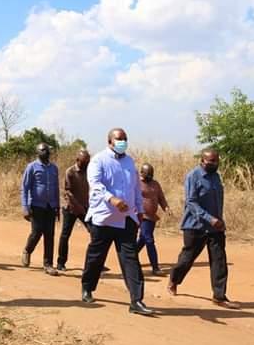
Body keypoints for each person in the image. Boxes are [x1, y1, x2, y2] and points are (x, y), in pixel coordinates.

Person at [81, 128, 153, 316]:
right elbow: (95, 186)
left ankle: (136, 300)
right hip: (103, 218)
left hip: (126, 219)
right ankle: (87, 287)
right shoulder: (99, 160)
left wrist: (139, 211)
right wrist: (112, 199)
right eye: (119, 139)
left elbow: (136, 188)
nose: (123, 142)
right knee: (96, 257)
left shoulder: (130, 162)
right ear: (110, 141)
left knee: (130, 259)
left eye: (125, 139)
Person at [167, 149, 239, 309]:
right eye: (211, 161)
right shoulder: (193, 176)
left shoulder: (216, 177)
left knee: (219, 260)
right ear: (202, 161)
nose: (214, 164)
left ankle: (219, 296)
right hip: (195, 226)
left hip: (216, 228)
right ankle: (174, 279)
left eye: (216, 161)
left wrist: (218, 220)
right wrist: (209, 219)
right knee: (187, 258)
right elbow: (191, 202)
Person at [20, 143, 61, 276]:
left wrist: (57, 207)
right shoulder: (31, 167)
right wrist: (25, 207)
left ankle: (48, 264)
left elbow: (56, 188)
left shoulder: (54, 168)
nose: (46, 152)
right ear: (37, 152)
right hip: (37, 206)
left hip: (51, 206)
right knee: (36, 232)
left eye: (47, 150)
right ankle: (27, 250)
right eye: (43, 150)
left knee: (50, 235)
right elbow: (25, 188)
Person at [56, 149, 91, 272]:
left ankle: (94, 262)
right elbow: (68, 192)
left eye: (88, 162)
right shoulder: (70, 172)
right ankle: (61, 262)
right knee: (65, 235)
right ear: (77, 160)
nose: (86, 164)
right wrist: (77, 206)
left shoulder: (88, 172)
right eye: (84, 162)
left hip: (85, 207)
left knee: (95, 233)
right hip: (70, 208)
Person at [137, 163, 172, 275]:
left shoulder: (155, 184)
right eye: (147, 174)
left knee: (143, 239)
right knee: (149, 240)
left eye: (151, 174)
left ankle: (130, 256)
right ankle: (155, 267)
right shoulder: (136, 183)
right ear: (141, 172)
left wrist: (166, 208)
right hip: (142, 216)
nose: (149, 176)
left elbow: (161, 198)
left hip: (152, 216)